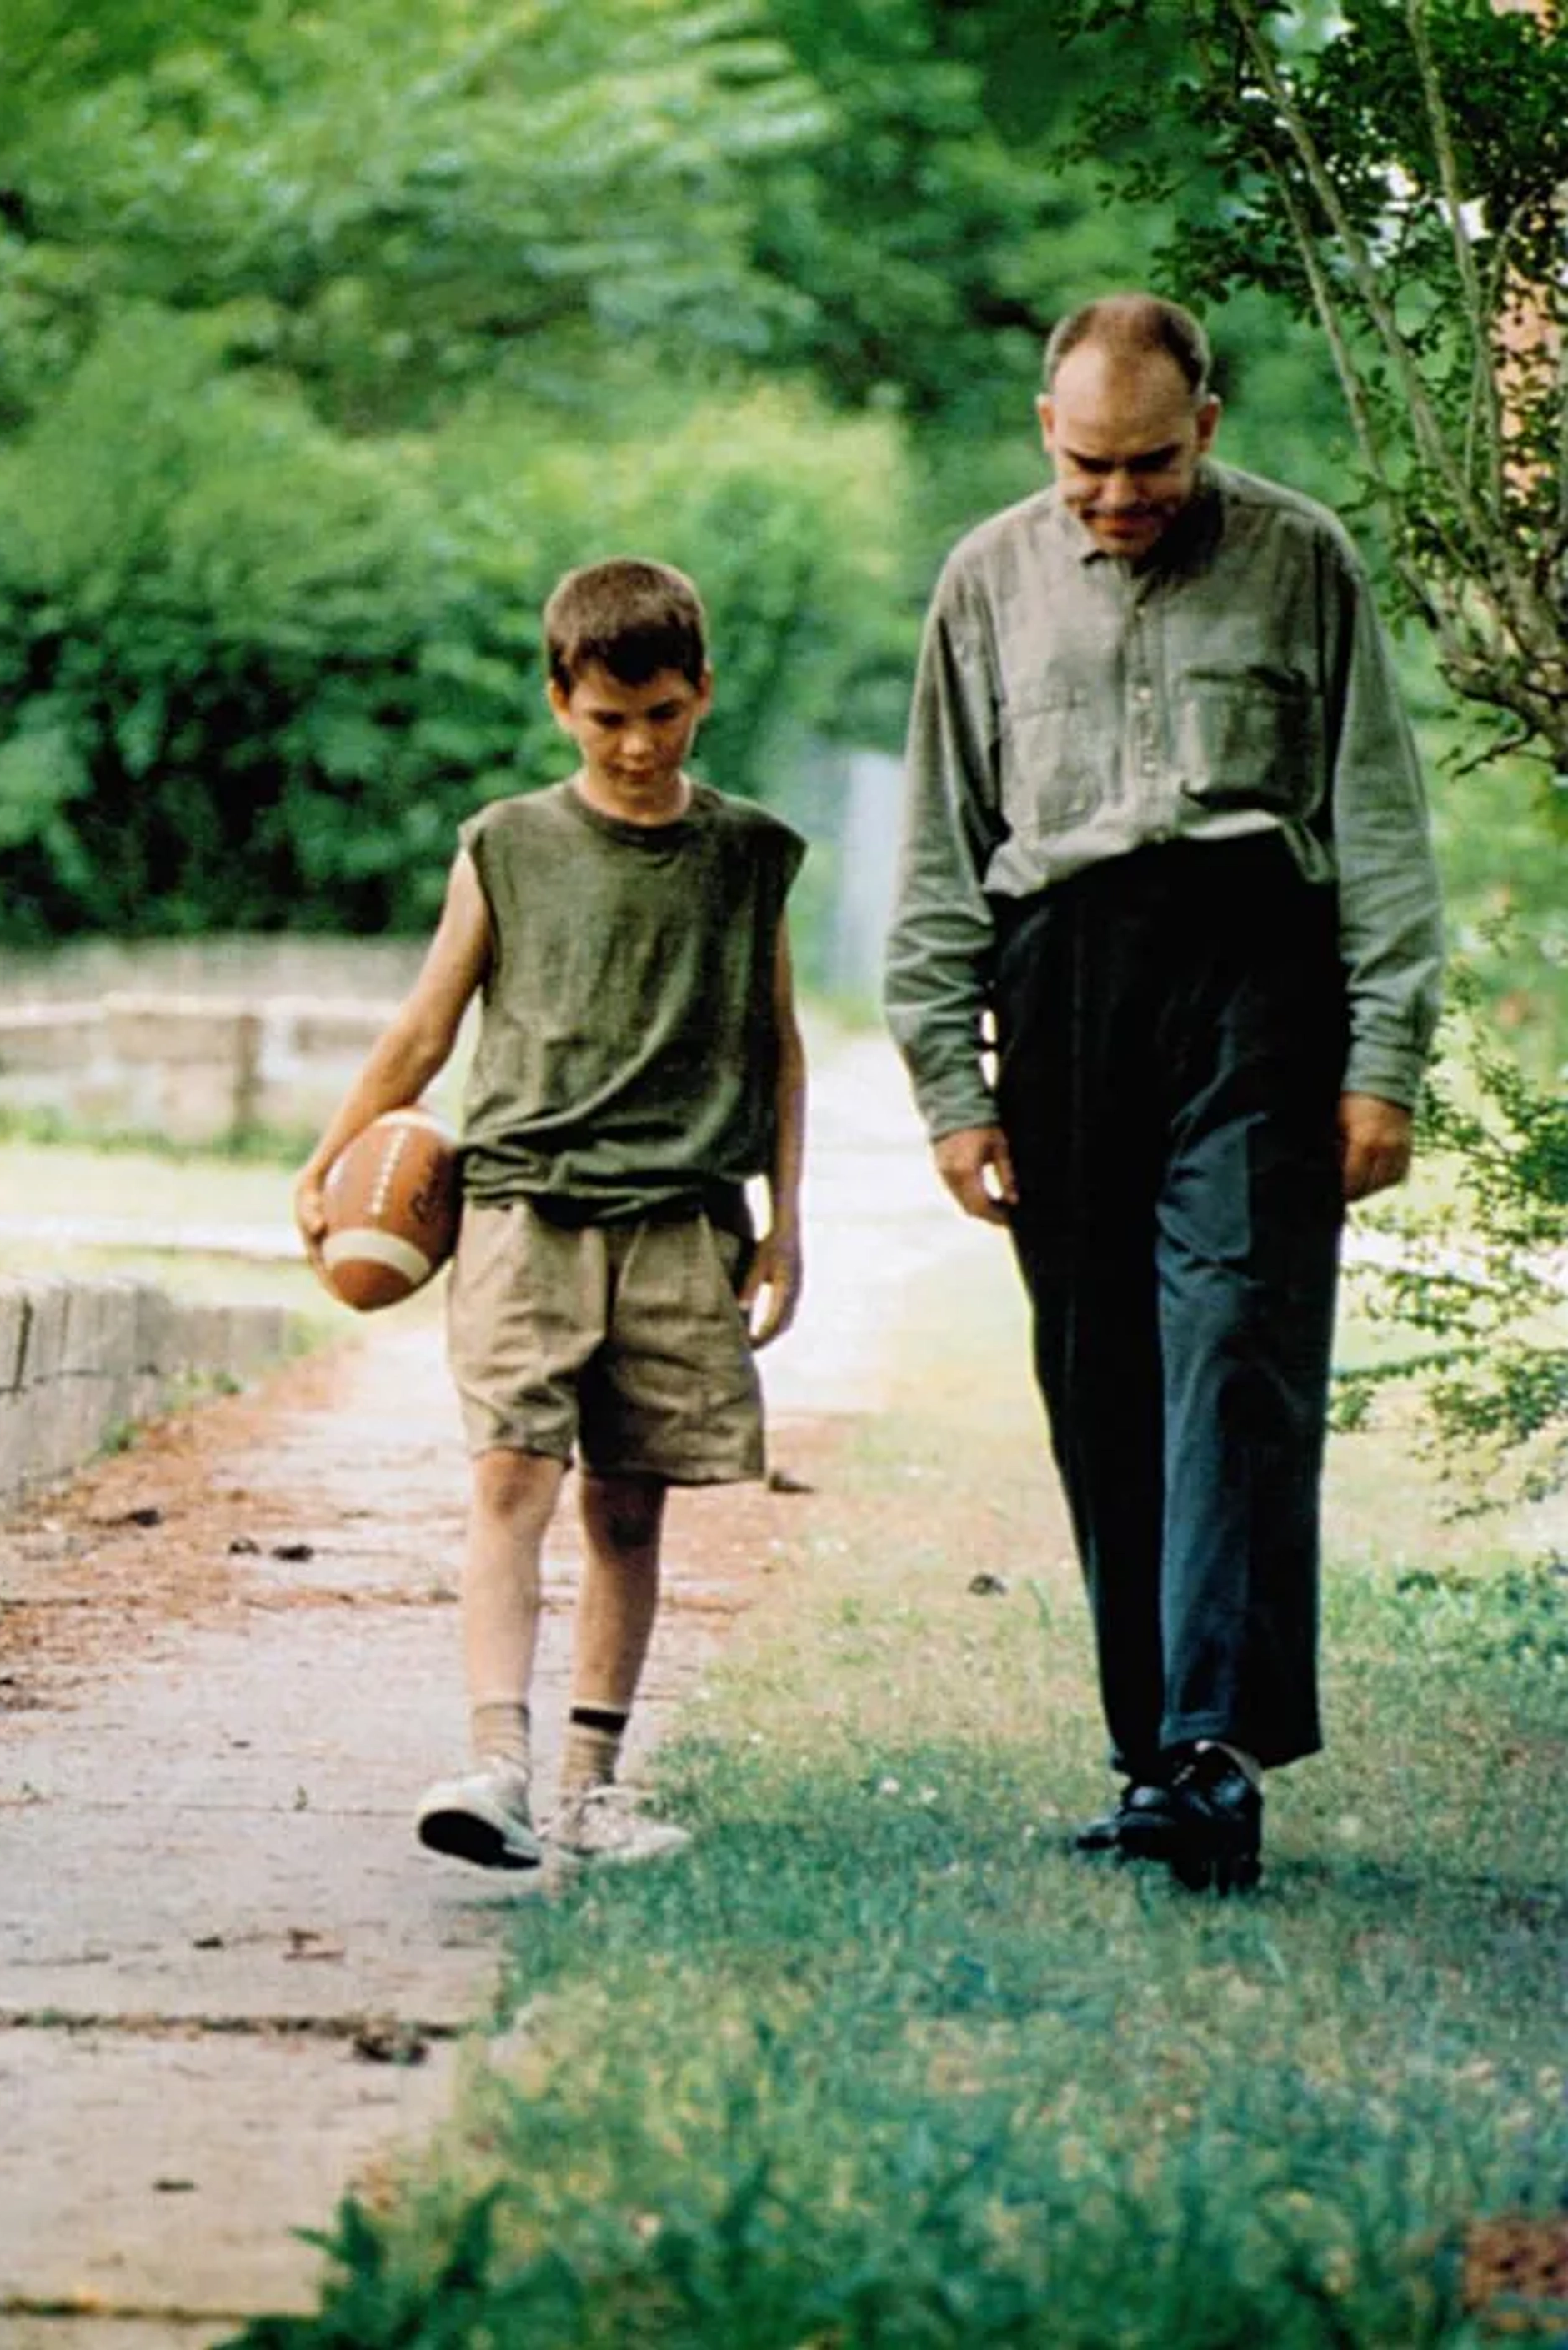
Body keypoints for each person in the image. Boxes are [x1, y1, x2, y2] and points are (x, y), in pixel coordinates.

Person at [884, 293, 1443, 1892]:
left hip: (1257, 976)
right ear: (1043, 432)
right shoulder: (984, 579)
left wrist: (1382, 1054)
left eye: (1147, 463)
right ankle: (1151, 1755)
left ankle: (1213, 1747)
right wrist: (946, 1076)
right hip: (1060, 992)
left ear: (1208, 420)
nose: (1118, 498)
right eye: (1086, 468)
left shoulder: (1302, 555)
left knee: (1236, 1349)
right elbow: (940, 842)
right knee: (1101, 1370)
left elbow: (1382, 819)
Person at [295, 557, 807, 1870]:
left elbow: (778, 1042)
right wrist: (334, 1148)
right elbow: (426, 1023)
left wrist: (785, 1220)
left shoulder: (747, 854)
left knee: (630, 1508)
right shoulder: (507, 843)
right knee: (512, 1473)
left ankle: (592, 1781)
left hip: (682, 1218)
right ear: (559, 703)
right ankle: (495, 1764)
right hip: (523, 1208)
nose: (638, 746)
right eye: (608, 719)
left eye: (664, 715)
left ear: (702, 693)